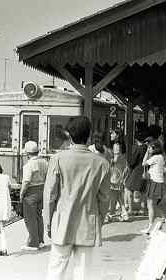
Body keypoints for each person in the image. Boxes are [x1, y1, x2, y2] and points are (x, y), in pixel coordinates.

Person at [44, 116, 111, 280]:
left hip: (62, 223)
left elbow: (50, 196)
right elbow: (104, 199)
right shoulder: (102, 164)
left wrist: (48, 222)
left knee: (56, 270)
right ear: (89, 136)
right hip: (87, 223)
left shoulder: (58, 159)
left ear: (69, 135)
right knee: (83, 272)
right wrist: (99, 221)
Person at [20, 140, 48, 250]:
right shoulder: (45, 162)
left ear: (27, 153)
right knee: (38, 217)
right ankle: (41, 241)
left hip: (31, 193)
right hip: (42, 190)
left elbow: (26, 181)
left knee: (30, 218)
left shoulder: (28, 165)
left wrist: (21, 195)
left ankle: (33, 243)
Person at [141, 140, 166, 234]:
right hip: (157, 181)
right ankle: (162, 217)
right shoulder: (161, 157)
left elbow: (143, 163)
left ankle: (150, 226)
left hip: (154, 182)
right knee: (152, 204)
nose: (148, 149)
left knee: (150, 205)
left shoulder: (156, 157)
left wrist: (146, 153)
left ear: (154, 148)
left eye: (150, 148)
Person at [124, 131, 148, 216]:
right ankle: (142, 209)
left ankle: (130, 209)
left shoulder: (138, 148)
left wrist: (129, 164)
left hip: (137, 170)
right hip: (145, 170)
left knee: (128, 188)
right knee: (143, 190)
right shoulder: (146, 147)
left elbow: (133, 161)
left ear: (136, 139)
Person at [107, 130, 129, 222]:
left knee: (114, 193)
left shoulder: (116, 145)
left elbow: (115, 159)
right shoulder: (121, 145)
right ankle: (122, 213)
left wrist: (107, 160)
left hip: (115, 171)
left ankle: (111, 213)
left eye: (113, 133)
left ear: (117, 135)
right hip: (120, 170)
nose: (111, 134)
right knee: (117, 193)